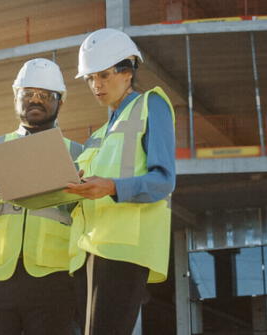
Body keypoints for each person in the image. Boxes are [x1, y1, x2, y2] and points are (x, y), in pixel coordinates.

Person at [0, 58, 83, 335]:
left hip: (53, 279)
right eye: (27, 94)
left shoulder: (77, 154)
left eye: (45, 95)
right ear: (15, 98)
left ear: (60, 102)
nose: (35, 101)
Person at [64, 28, 176, 335]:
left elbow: (163, 181)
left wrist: (112, 187)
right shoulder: (97, 136)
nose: (96, 86)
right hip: (89, 251)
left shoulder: (151, 105)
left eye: (103, 75)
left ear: (127, 71)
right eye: (90, 78)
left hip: (124, 250)